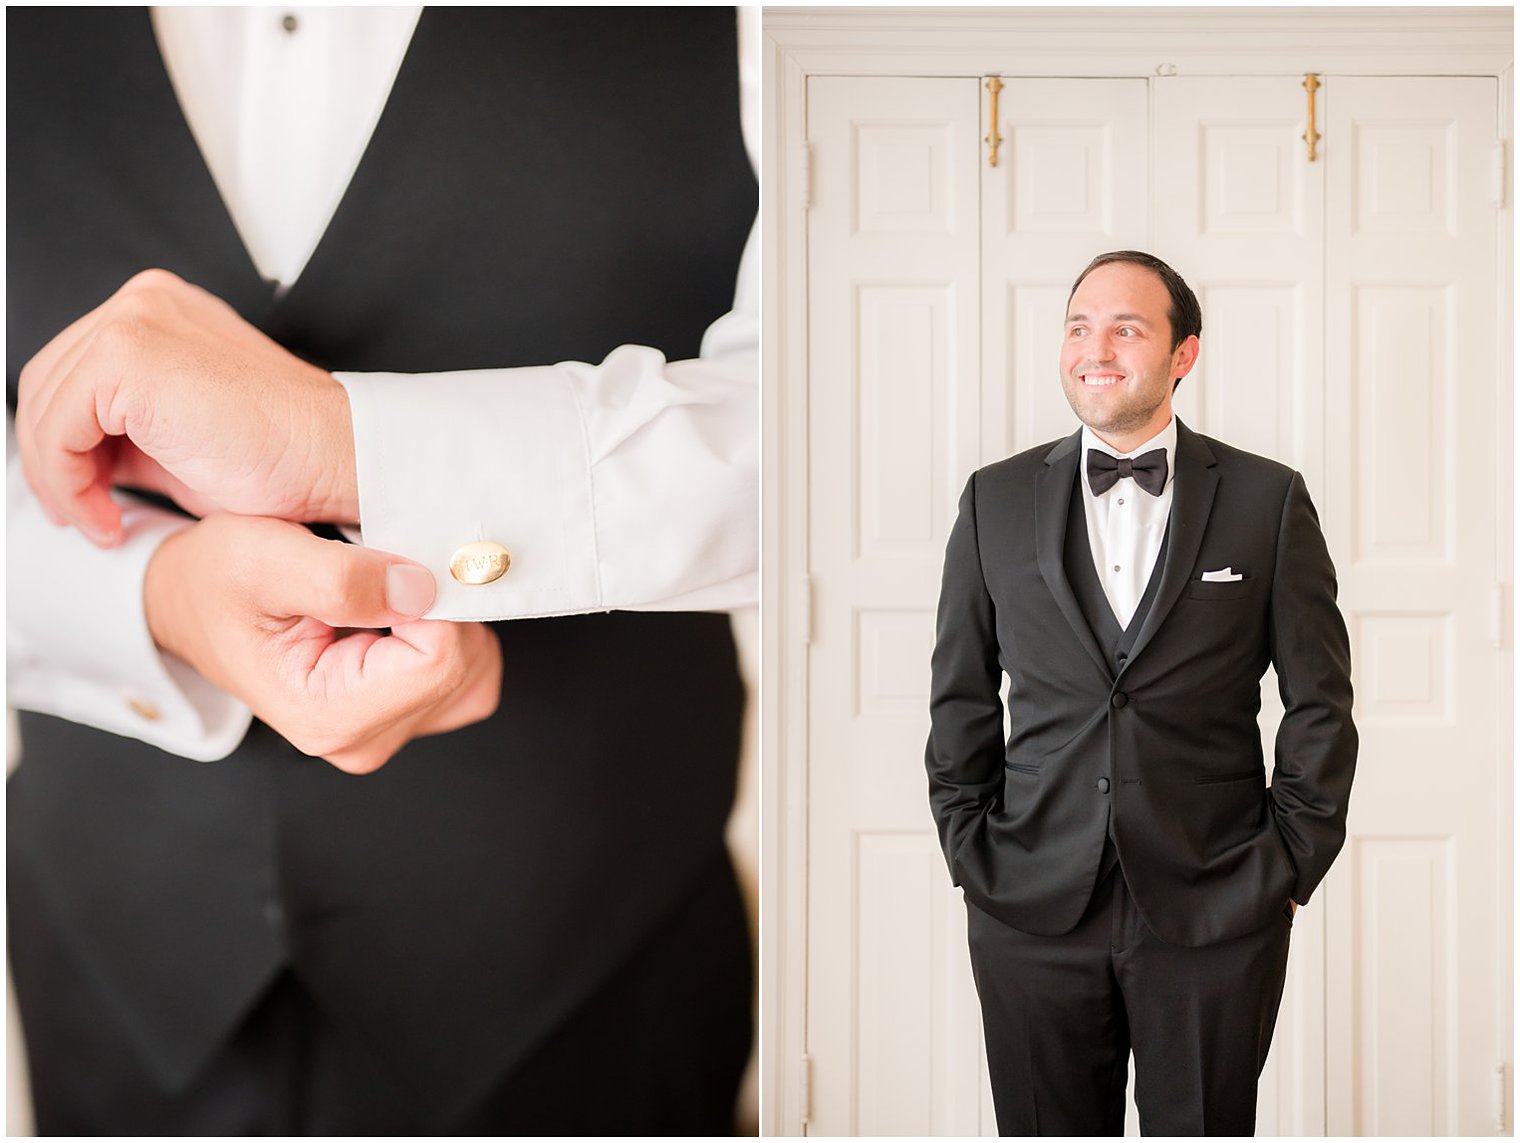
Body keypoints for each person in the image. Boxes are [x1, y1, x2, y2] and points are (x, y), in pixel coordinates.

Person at [8, 7, 757, 1133]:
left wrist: (346, 449)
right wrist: (157, 593)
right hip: (119, 983)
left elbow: (860, 414)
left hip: (593, 972)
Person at [925, 250, 1357, 1136]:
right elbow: (959, 695)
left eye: (1127, 328)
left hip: (1215, 905)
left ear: (1182, 354)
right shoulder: (991, 499)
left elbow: (1320, 699)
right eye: (1080, 326)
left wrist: (1289, 863)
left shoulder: (1268, 500)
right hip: (1030, 905)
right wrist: (973, 850)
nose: (1096, 348)